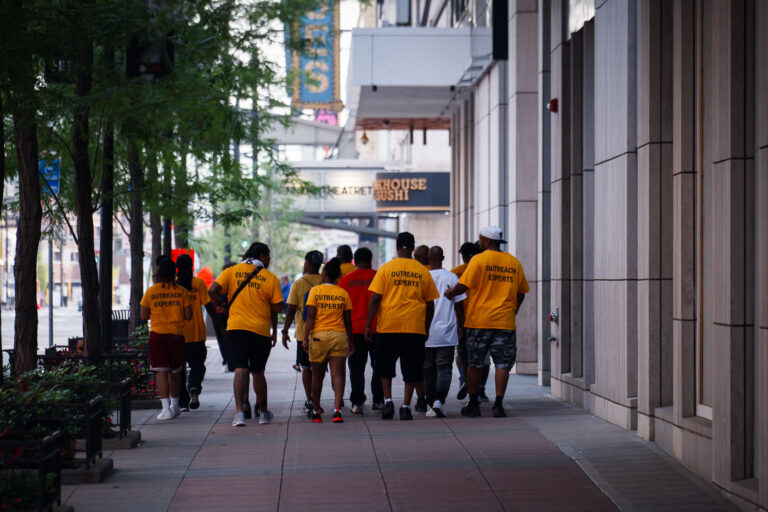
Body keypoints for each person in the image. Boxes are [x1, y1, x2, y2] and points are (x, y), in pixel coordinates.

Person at [445, 226, 530, 418]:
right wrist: (513, 311)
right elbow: (521, 292)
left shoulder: (478, 260)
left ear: (485, 240)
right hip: (505, 322)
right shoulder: (513, 262)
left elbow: (462, 286)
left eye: (480, 239)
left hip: (479, 322)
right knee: (502, 364)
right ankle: (498, 405)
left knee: (474, 363)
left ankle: (473, 403)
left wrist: (450, 293)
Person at [208, 242, 284, 427]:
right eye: (268, 256)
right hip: (260, 330)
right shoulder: (270, 278)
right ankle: (263, 413)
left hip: (236, 328)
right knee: (258, 372)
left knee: (240, 370)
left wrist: (219, 304)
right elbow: (277, 307)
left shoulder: (232, 271)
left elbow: (211, 290)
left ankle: (240, 413)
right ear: (262, 255)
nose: (270, 259)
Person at [365, 232, 439, 421]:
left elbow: (375, 298)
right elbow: (430, 304)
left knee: (384, 367)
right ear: (413, 248)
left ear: (397, 247)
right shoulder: (423, 271)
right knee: (412, 369)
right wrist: (426, 327)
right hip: (414, 327)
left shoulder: (386, 268)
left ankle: (388, 402)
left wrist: (368, 325)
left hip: (388, 327)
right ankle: (405, 407)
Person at [140, 257, 192, 420]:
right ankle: (175, 406)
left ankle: (165, 409)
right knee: (175, 371)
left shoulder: (151, 291)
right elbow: (188, 315)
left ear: (158, 273)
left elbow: (143, 315)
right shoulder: (182, 292)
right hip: (176, 335)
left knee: (161, 372)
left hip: (157, 335)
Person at [303, 258, 354, 423]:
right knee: (338, 375)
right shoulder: (343, 293)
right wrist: (351, 340)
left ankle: (316, 411)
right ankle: (337, 410)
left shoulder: (315, 291)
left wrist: (305, 338)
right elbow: (348, 321)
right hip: (339, 336)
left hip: (319, 337)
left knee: (317, 376)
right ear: (338, 276)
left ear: (323, 273)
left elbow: (310, 316)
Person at [338, 247, 383, 414]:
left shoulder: (345, 281)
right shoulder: (379, 276)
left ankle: (357, 402)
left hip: (354, 329)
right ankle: (378, 400)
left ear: (354, 262)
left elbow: (342, 308)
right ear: (371, 260)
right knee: (378, 365)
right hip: (377, 328)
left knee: (356, 367)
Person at [423, 246, 465, 418]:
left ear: (428, 258)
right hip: (447, 331)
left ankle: (429, 403)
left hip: (425, 332)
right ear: (443, 257)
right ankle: (439, 401)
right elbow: (459, 305)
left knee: (428, 369)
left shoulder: (423, 277)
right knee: (445, 368)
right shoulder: (452, 277)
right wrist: (461, 325)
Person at [282, 250, 324, 414]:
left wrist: (285, 331)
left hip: (303, 334)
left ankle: (310, 399)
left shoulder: (298, 283)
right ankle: (317, 400)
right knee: (319, 369)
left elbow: (291, 309)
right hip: (323, 331)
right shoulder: (324, 281)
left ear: (307, 263)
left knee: (306, 368)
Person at [176, 254, 218, 411]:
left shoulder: (174, 285)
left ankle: (182, 402)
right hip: (197, 333)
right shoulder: (198, 283)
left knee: (178, 369)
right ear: (191, 266)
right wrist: (219, 325)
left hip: (178, 334)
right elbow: (208, 306)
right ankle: (193, 386)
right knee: (198, 366)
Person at [450, 242, 490, 401]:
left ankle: (463, 378)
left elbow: (452, 297)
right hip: (481, 320)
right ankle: (480, 389)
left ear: (463, 256)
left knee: (461, 353)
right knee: (484, 358)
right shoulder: (482, 271)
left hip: (461, 321)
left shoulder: (454, 273)